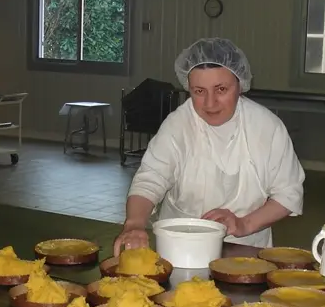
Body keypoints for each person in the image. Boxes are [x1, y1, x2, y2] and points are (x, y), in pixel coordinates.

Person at [113, 37, 305, 255]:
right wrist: (134, 224)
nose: (210, 103)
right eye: (199, 91)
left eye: (221, 89)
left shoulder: (266, 127)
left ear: (240, 85)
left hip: (244, 249)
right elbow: (151, 179)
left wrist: (243, 224)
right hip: (180, 244)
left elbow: (288, 194)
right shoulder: (178, 125)